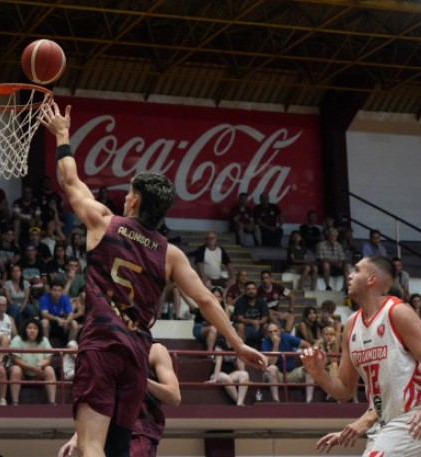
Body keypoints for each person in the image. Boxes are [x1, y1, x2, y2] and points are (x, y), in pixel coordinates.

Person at [41, 102, 266, 457]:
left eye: (130, 191)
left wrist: (63, 134)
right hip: (136, 354)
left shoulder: (104, 222)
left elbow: (69, 180)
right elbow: (207, 300)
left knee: (90, 447)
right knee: (117, 450)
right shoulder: (171, 254)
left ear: (133, 199)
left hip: (101, 345)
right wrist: (237, 344)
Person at [301, 255, 421, 456]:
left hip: (418, 416)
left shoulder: (397, 312)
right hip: (386, 422)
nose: (349, 275)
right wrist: (318, 373)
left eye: (356, 270)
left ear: (372, 279)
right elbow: (345, 390)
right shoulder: (351, 325)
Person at [58, 342, 181, 457]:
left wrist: (141, 379)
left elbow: (174, 396)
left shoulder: (155, 350)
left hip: (137, 432)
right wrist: (77, 437)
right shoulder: (107, 353)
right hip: (104, 434)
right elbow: (100, 404)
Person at [262, 322, 314, 403]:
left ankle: (309, 400)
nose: (273, 334)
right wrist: (276, 345)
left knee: (309, 367)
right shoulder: (265, 343)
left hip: (292, 373)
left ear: (280, 331)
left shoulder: (286, 337)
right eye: (270, 332)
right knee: (272, 369)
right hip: (277, 374)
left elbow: (307, 345)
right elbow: (272, 363)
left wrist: (305, 356)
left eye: (275, 331)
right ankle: (276, 400)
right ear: (267, 333)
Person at [8, 318, 56, 405]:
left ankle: (52, 402)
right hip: (23, 372)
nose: (32, 331)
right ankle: (15, 402)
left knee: (49, 369)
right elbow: (15, 359)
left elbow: (48, 358)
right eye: (29, 328)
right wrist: (31, 367)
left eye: (35, 328)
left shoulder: (44, 340)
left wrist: (40, 366)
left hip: (38, 371)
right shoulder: (17, 339)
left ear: (39, 330)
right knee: (15, 369)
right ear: (25, 329)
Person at [232, 281, 269, 346]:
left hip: (259, 327)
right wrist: (252, 322)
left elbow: (265, 318)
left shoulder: (262, 301)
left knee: (266, 326)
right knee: (240, 326)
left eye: (253, 289)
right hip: (245, 327)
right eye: (248, 289)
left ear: (256, 290)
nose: (251, 291)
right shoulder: (240, 301)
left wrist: (258, 323)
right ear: (245, 291)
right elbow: (239, 318)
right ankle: (241, 350)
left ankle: (266, 350)